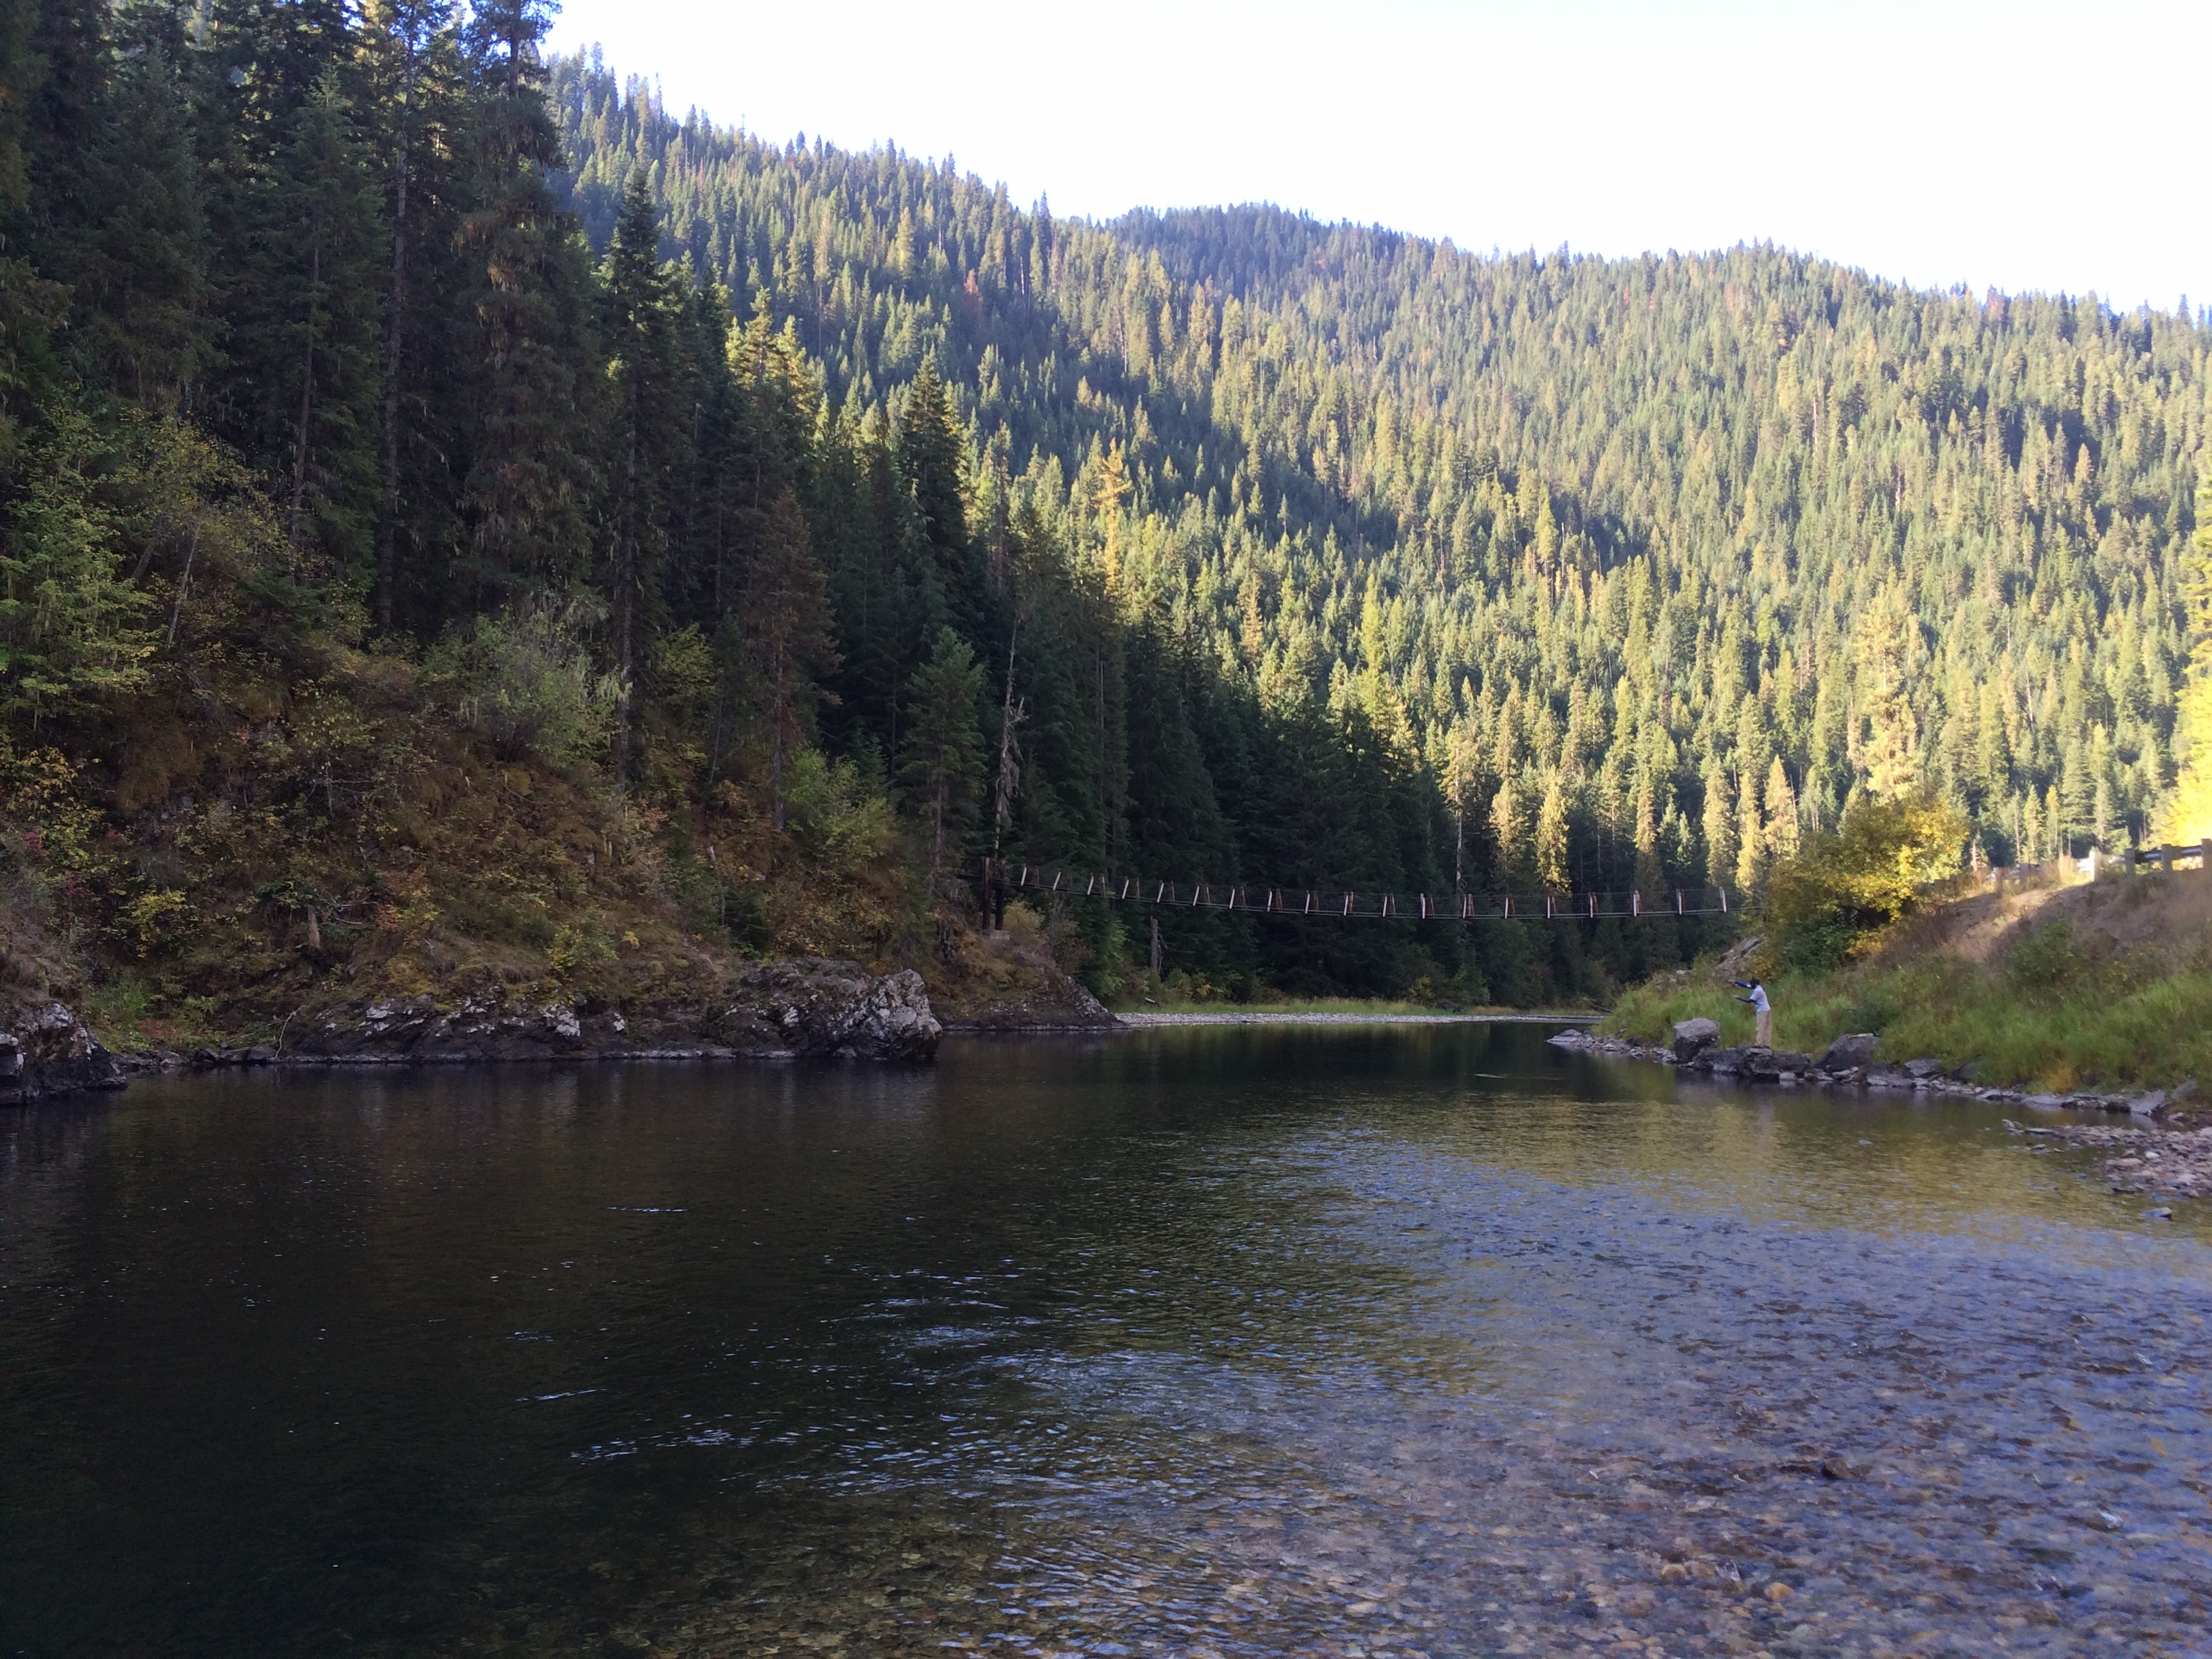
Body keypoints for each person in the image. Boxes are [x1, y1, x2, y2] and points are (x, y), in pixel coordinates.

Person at [1734, 978, 1772, 1048]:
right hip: (1767, 1009)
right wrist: (1736, 982)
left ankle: (1759, 1043)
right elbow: (1745, 985)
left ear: (1755, 984)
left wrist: (1739, 998)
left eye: (1752, 984)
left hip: (1762, 1010)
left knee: (1760, 1027)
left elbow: (1750, 1000)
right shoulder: (1759, 987)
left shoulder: (1758, 991)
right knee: (1767, 1027)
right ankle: (1767, 1044)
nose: (1751, 985)